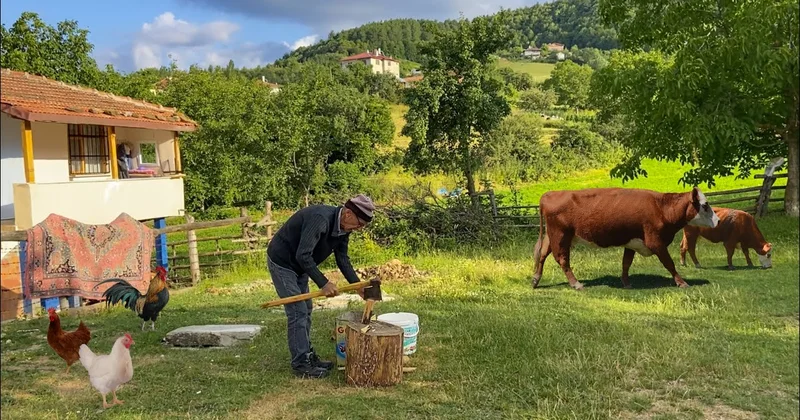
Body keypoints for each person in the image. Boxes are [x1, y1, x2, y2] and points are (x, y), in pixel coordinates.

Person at [266, 194, 375, 378]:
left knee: (306, 309)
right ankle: (301, 365)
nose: (358, 229)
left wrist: (358, 285)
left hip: (300, 266)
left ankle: (308, 356)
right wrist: (323, 283)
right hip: (283, 262)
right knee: (297, 311)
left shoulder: (344, 228)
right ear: (348, 213)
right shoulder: (320, 219)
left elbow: (342, 259)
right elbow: (303, 255)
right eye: (359, 224)